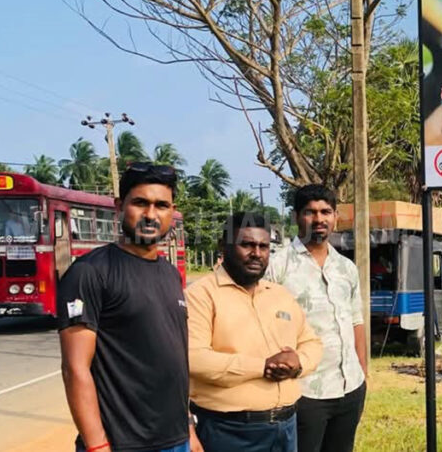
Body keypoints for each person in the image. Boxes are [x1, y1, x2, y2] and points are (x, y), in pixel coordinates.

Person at [56, 162, 200, 452]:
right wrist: (97, 445)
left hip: (177, 440)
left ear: (172, 211)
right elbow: (75, 369)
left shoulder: (170, 274)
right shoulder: (90, 273)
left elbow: (172, 364)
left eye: (161, 205)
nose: (151, 215)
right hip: (122, 444)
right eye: (140, 203)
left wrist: (188, 429)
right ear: (120, 206)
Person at [186, 212, 323, 452]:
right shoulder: (201, 295)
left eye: (263, 246)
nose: (256, 253)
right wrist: (262, 367)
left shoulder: (280, 294)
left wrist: (298, 362)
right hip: (229, 432)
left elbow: (312, 342)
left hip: (286, 427)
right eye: (246, 245)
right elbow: (194, 358)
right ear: (223, 246)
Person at [267, 185, 368, 452]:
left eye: (326, 212)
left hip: (350, 387)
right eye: (310, 212)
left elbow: (356, 321)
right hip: (305, 392)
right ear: (296, 216)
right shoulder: (278, 266)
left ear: (335, 216)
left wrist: (363, 374)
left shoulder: (346, 267)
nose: (319, 219)